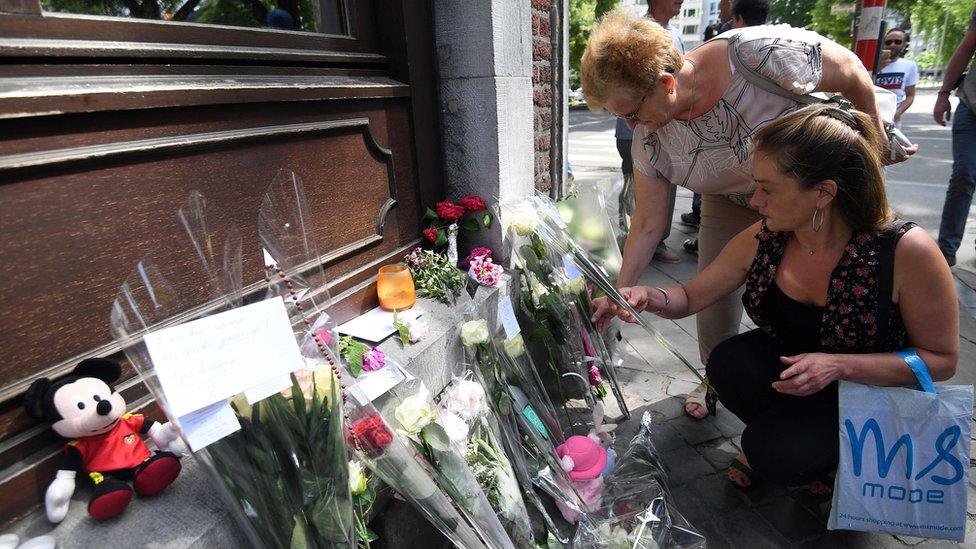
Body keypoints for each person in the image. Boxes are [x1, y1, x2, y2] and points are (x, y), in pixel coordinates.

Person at [582, 11, 917, 420]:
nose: (631, 125)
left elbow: (851, 73)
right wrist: (621, 292)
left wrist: (874, 146)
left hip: (811, 200)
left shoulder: (758, 56)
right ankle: (720, 380)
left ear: (667, 85)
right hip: (731, 201)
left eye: (631, 113)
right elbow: (649, 222)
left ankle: (842, 402)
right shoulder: (651, 138)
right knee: (713, 306)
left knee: (830, 300)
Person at [606, 102, 958, 490]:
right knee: (726, 364)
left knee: (773, 454)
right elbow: (690, 296)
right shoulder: (768, 236)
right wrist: (647, 295)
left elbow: (940, 361)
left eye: (767, 189)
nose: (754, 201)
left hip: (869, 392)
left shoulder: (906, 250)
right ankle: (798, 441)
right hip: (799, 376)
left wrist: (839, 366)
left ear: (823, 193)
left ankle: (836, 458)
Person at [615, 0, 684, 265]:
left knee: (667, 184)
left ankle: (657, 241)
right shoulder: (635, 31)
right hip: (634, 134)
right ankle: (629, 237)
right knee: (635, 186)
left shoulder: (676, 34)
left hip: (668, 128)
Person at [936, 7, 976, 268]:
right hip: (971, 106)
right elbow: (965, 48)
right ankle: (945, 251)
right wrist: (943, 93)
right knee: (965, 173)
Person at [874, 28, 919, 128]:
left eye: (897, 42)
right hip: (871, 114)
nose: (892, 45)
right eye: (888, 42)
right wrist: (877, 69)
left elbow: (910, 95)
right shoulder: (873, 64)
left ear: (904, 45)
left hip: (892, 119)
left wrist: (897, 113)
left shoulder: (909, 65)